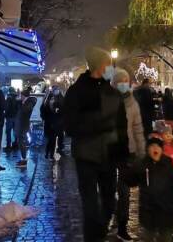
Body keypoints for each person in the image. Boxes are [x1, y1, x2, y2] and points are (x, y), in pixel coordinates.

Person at [64, 47, 129, 242]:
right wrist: (99, 124)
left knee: (109, 202)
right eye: (109, 64)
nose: (112, 68)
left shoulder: (112, 93)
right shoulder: (77, 92)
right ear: (101, 66)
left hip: (109, 155)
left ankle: (97, 235)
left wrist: (123, 155)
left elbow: (121, 126)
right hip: (86, 156)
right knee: (90, 205)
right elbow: (70, 125)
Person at [126, 137, 173, 242]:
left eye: (158, 146)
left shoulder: (168, 164)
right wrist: (132, 169)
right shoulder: (142, 164)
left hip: (166, 211)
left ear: (162, 149)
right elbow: (130, 181)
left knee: (165, 237)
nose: (155, 148)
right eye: (152, 146)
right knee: (147, 237)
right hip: (148, 211)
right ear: (147, 150)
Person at [112, 68, 146, 241]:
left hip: (128, 153)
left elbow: (138, 129)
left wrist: (141, 151)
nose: (125, 83)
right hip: (109, 153)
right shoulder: (107, 101)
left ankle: (122, 226)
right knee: (108, 189)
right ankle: (110, 213)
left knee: (124, 192)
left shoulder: (133, 103)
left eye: (127, 80)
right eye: (121, 81)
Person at [15, 87, 37, 168]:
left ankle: (24, 160)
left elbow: (25, 111)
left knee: (22, 142)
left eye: (21, 95)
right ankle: (23, 159)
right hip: (21, 124)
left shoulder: (28, 103)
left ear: (24, 96)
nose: (20, 97)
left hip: (22, 125)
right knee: (20, 142)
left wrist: (21, 104)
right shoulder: (25, 102)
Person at [41, 85, 65, 160]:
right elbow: (43, 110)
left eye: (57, 89)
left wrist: (59, 112)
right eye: (55, 90)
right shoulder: (48, 99)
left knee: (56, 138)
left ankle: (52, 152)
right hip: (51, 122)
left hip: (58, 122)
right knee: (51, 139)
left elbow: (64, 108)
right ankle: (49, 153)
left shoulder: (61, 98)